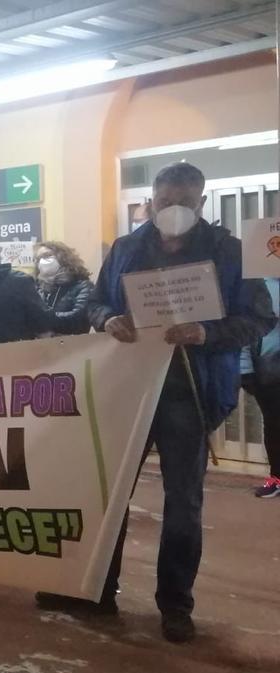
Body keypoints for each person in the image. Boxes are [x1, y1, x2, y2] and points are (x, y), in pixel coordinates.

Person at [55, 162, 275, 643]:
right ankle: (98, 590)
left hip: (190, 394)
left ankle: (175, 604)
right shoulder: (126, 249)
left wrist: (207, 332)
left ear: (201, 201)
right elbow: (95, 302)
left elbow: (259, 317)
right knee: (109, 494)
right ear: (150, 201)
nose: (174, 210)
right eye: (165, 201)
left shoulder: (229, 252)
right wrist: (107, 318)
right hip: (128, 387)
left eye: (185, 202)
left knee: (183, 502)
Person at [241, 278, 280, 498]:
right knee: (275, 427)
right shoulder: (259, 285)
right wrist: (245, 370)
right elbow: (247, 329)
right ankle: (277, 478)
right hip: (270, 369)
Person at [34, 241, 95, 336]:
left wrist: (45, 317)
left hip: (74, 345)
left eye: (47, 256)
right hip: (42, 346)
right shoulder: (37, 287)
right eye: (38, 259)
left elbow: (79, 318)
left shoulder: (82, 285)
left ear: (63, 257)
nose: (42, 261)